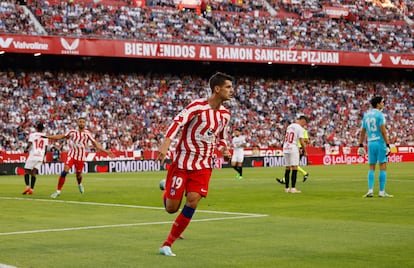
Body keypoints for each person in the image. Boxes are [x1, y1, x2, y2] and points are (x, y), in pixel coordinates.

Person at [156, 72, 234, 257]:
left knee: (192, 201)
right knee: (171, 208)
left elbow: (221, 138)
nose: (232, 91)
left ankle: (167, 244)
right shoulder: (197, 106)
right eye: (228, 87)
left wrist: (224, 149)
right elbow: (177, 122)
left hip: (204, 166)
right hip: (182, 163)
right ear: (217, 89)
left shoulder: (225, 115)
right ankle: (166, 188)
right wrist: (166, 143)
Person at [44, 117, 115, 198]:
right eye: (80, 122)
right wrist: (48, 137)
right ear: (77, 123)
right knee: (64, 171)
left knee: (78, 175)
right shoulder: (72, 132)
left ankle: (79, 184)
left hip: (80, 157)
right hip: (71, 155)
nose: (81, 123)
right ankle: (58, 191)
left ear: (85, 124)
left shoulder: (87, 133)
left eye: (83, 122)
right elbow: (60, 136)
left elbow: (95, 144)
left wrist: (106, 151)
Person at [358, 96, 392, 198]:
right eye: (382, 102)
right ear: (377, 104)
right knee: (383, 166)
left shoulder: (366, 115)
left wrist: (360, 145)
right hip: (380, 142)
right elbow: (383, 130)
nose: (383, 104)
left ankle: (370, 190)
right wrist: (387, 144)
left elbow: (363, 131)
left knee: (371, 167)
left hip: (370, 143)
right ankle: (381, 192)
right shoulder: (380, 115)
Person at [281, 115, 309, 193]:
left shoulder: (290, 126)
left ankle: (286, 188)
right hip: (293, 148)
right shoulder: (299, 128)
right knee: (295, 167)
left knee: (287, 168)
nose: (304, 125)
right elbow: (301, 141)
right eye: (305, 123)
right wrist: (305, 151)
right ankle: (293, 188)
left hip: (286, 147)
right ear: (303, 120)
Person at [22, 122, 48, 195]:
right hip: (41, 156)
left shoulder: (33, 135)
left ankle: (27, 186)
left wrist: (26, 150)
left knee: (27, 170)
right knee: (34, 172)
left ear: (36, 128)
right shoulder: (46, 136)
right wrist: (44, 157)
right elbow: (45, 148)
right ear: (43, 129)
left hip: (33, 154)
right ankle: (32, 189)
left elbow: (30, 144)